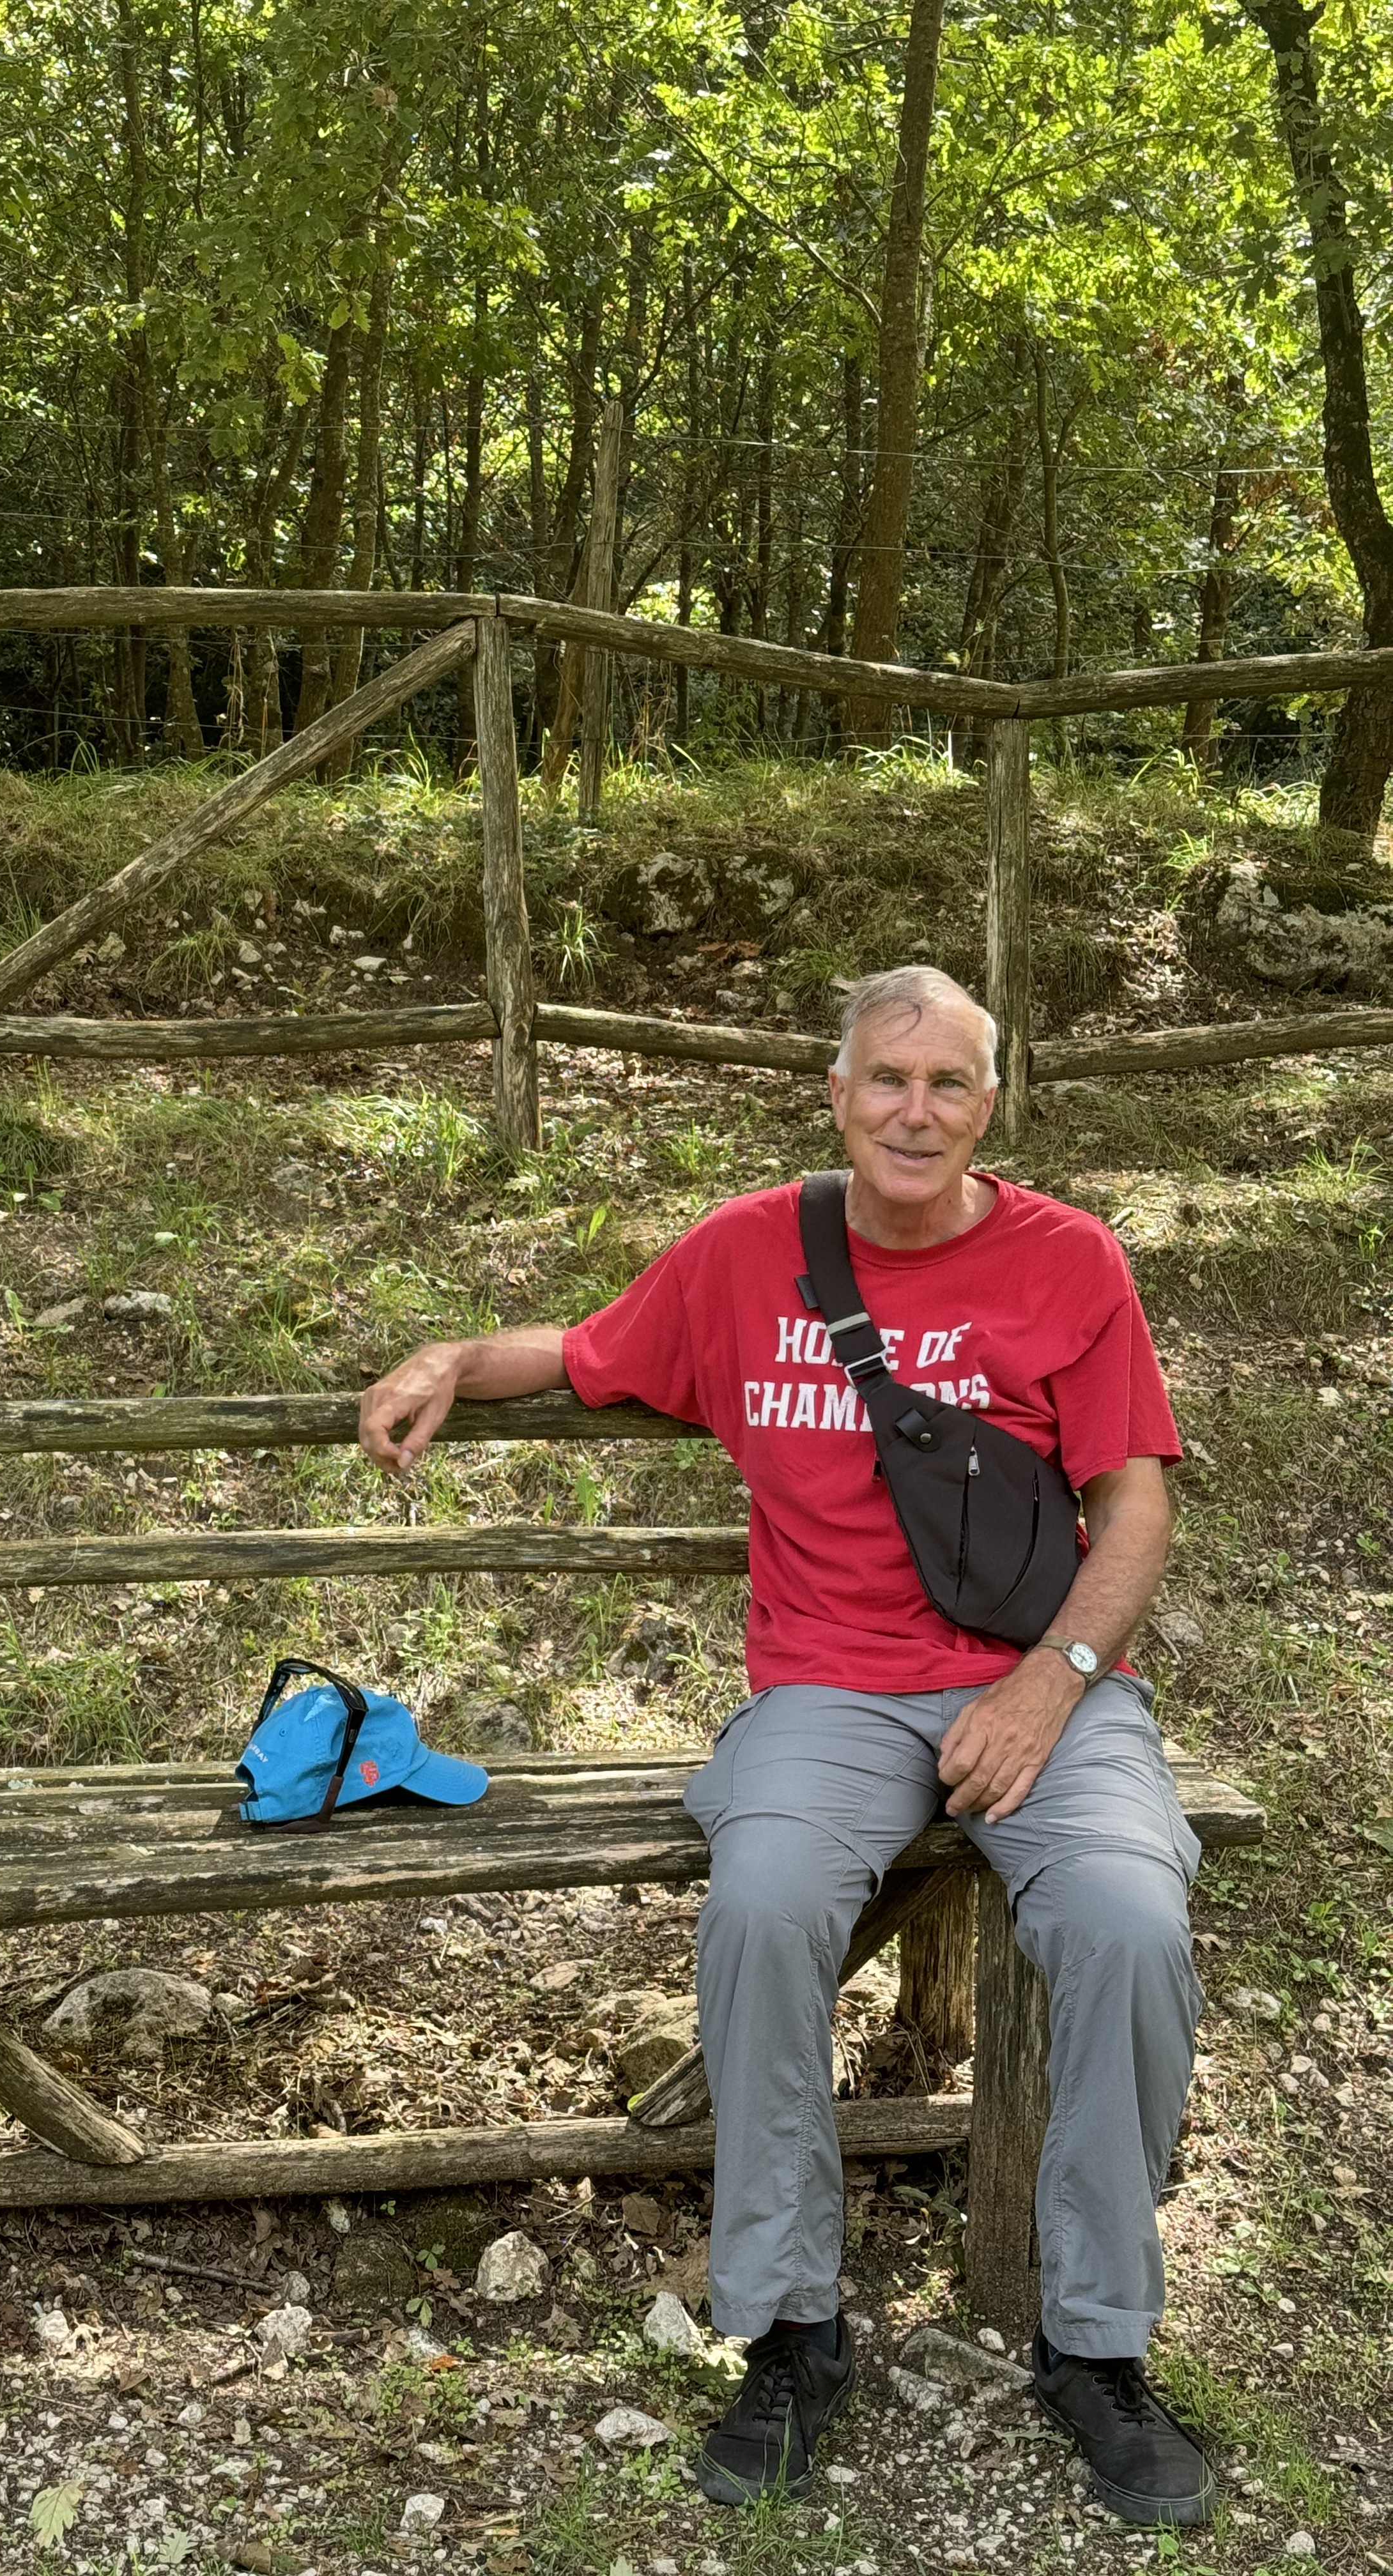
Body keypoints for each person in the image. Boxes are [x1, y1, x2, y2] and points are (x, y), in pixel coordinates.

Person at [358, 965, 1213, 2529]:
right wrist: (451, 1361)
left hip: (1046, 1682)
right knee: (759, 1914)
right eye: (888, 1078)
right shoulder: (752, 1252)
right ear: (837, 1095)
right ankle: (796, 2328)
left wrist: (1053, 1682)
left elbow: (1136, 1502)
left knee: (1131, 1927)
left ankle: (1094, 2347)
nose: (914, 1110)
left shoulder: (1067, 1261)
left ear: (988, 1108)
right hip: (826, 1687)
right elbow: (593, 1348)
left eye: (948, 1084)